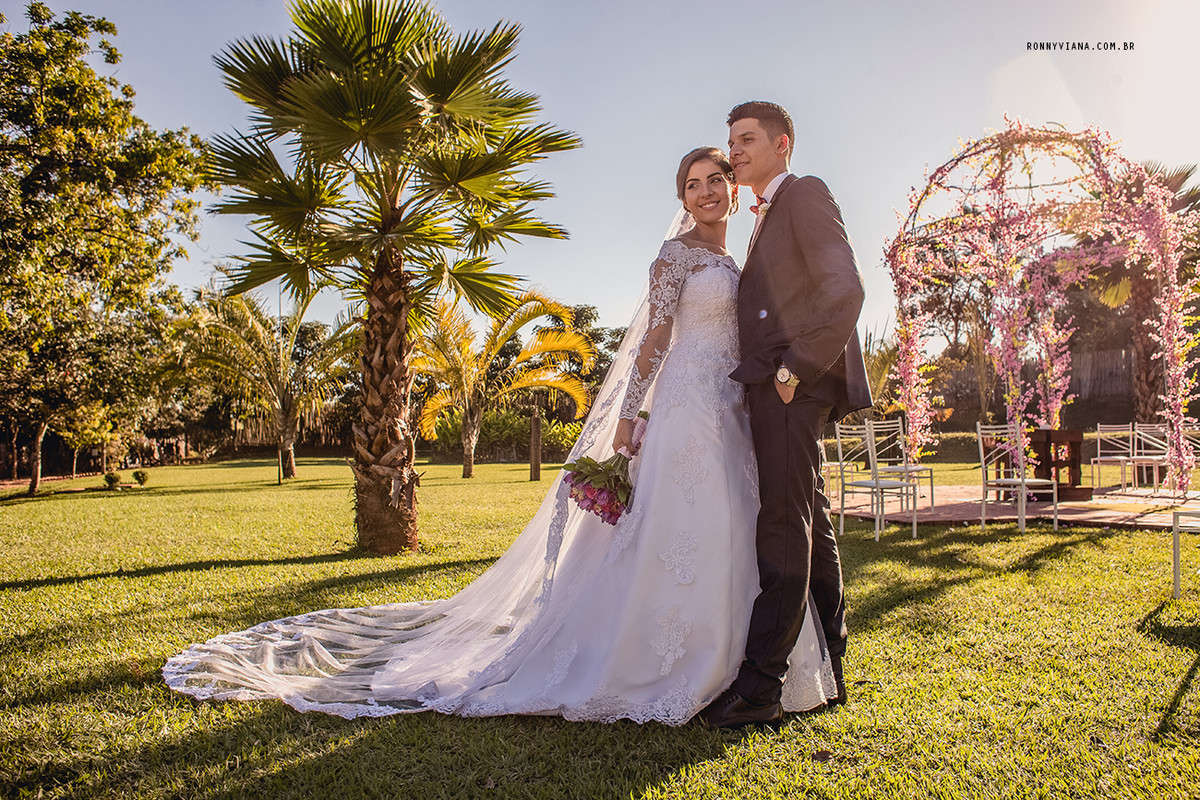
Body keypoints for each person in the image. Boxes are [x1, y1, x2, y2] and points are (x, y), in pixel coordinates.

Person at [162, 147, 839, 724]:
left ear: (732, 185)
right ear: (682, 199)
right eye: (692, 184)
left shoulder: (741, 254)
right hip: (686, 408)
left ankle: (740, 666)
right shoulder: (675, 256)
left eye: (714, 179)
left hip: (735, 404)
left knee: (738, 523)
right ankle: (660, 663)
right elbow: (651, 348)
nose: (706, 191)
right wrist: (633, 415)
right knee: (683, 526)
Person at [699, 102, 871, 729]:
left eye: (746, 140)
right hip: (782, 386)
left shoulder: (803, 193)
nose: (735, 151)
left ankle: (762, 687)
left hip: (791, 387)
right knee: (810, 519)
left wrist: (794, 370)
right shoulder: (768, 212)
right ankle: (830, 660)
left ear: (782, 143)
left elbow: (846, 288)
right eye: (732, 141)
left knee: (781, 522)